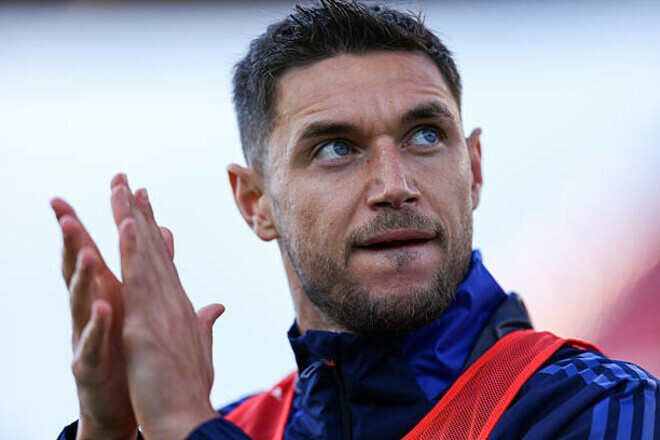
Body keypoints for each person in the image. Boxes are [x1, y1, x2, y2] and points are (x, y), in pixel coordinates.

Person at [53, 1, 659, 439]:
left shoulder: (600, 408)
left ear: (473, 170)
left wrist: (184, 422)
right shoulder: (240, 427)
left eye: (426, 136)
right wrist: (107, 430)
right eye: (337, 148)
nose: (395, 186)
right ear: (255, 202)